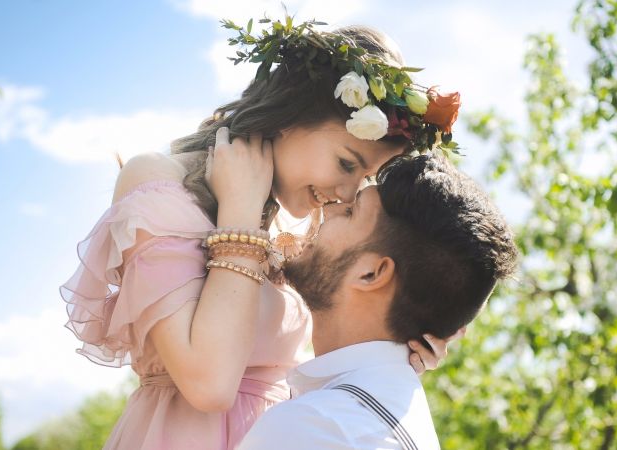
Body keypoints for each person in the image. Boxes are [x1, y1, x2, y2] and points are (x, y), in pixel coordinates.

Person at [60, 17, 462, 449]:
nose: (347, 192)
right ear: (292, 116)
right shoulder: (159, 182)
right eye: (347, 163)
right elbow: (209, 384)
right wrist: (239, 212)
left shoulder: (303, 227)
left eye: (365, 177)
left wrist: (397, 349)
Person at [238, 153, 518, 449]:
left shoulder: (312, 429)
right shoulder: (379, 417)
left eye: (350, 213)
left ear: (371, 274)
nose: (327, 210)